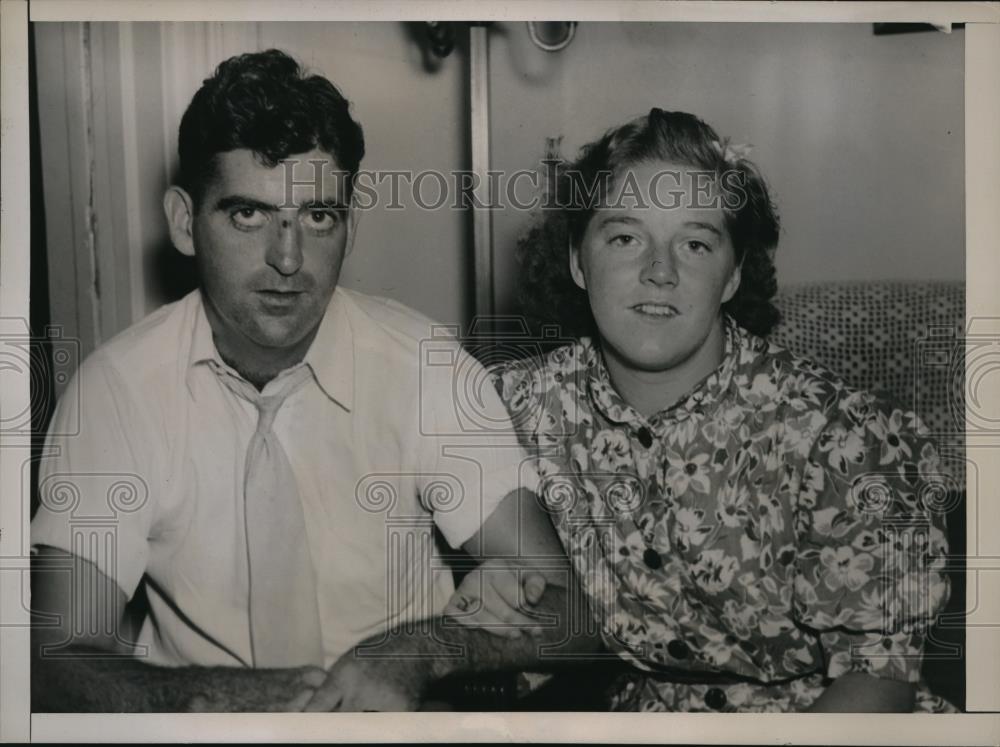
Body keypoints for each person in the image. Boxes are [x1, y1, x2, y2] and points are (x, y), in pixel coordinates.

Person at [29, 49, 564, 712]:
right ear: (183, 222)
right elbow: (51, 661)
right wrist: (224, 697)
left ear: (349, 225)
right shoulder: (116, 389)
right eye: (248, 215)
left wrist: (421, 650)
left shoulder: (423, 364)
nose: (288, 259)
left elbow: (574, 614)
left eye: (318, 218)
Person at [447, 108, 955, 712]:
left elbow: (877, 681)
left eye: (694, 242)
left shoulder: (842, 437)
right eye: (625, 237)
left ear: (735, 273)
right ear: (579, 260)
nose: (660, 272)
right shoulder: (510, 407)